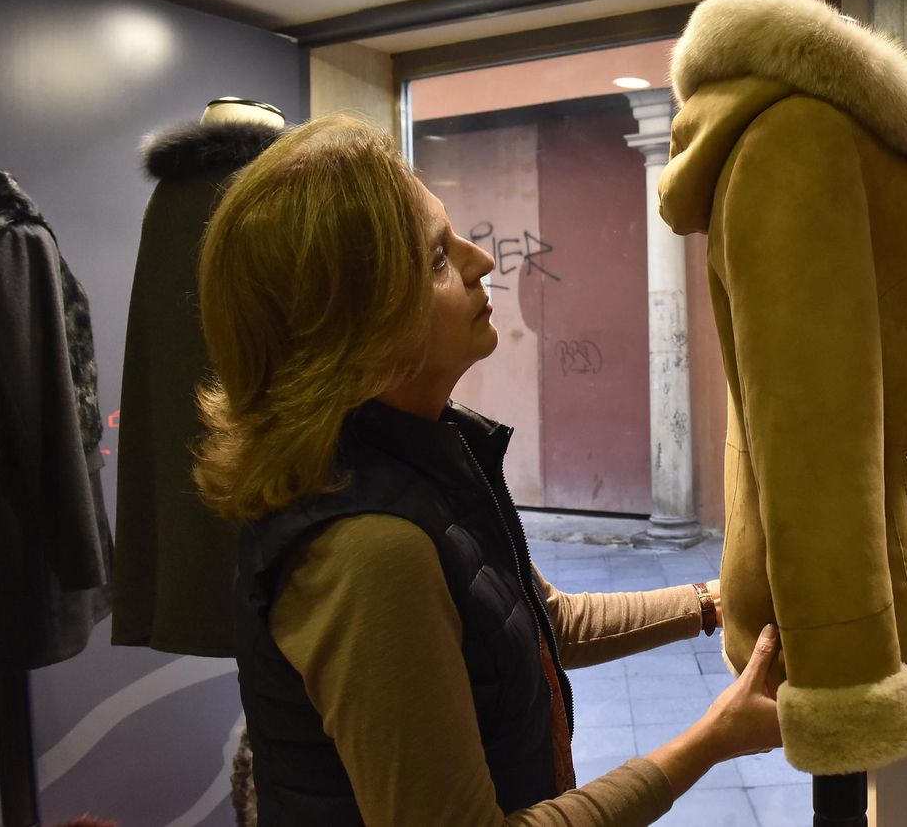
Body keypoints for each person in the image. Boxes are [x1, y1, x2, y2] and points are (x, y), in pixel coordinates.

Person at [194, 113, 782, 826]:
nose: (481, 260)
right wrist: (712, 740)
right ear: (352, 323)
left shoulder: (420, 457)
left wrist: (716, 599)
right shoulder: (369, 549)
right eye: (437, 259)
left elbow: (545, 622)